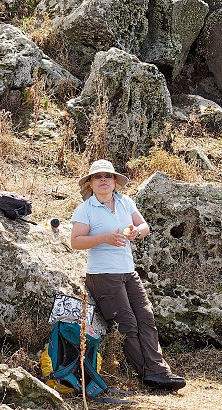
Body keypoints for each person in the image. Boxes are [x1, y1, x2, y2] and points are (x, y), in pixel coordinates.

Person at [70, 159, 186, 391]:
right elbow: (76, 242)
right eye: (98, 177)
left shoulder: (126, 202)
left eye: (108, 176)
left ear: (115, 182)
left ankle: (160, 370)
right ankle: (148, 375)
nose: (103, 180)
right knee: (128, 324)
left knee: (146, 318)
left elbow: (144, 227)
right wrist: (104, 238)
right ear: (90, 183)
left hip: (127, 272)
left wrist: (136, 232)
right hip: (103, 275)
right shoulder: (86, 209)